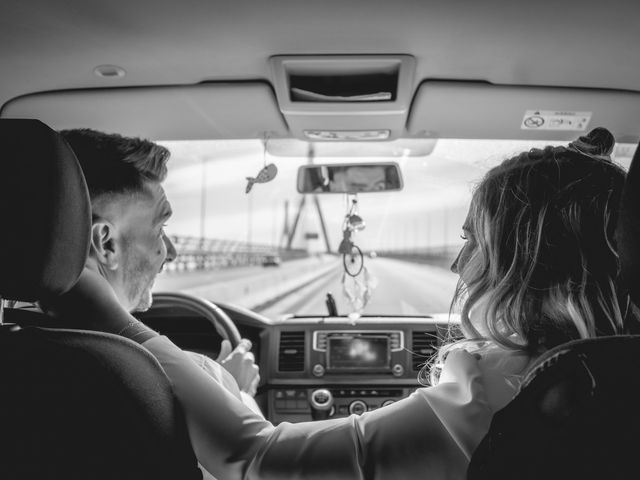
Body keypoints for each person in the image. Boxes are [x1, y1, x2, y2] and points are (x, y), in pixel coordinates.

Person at [52, 127, 630, 479]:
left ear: (526, 262)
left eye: (473, 242)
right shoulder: (595, 383)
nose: (458, 266)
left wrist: (125, 330)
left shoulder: (492, 395)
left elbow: (256, 461)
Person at [53, 129, 261, 403]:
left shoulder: (15, 348)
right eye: (160, 228)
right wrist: (235, 392)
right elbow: (256, 446)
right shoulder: (159, 376)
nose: (171, 252)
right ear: (106, 244)